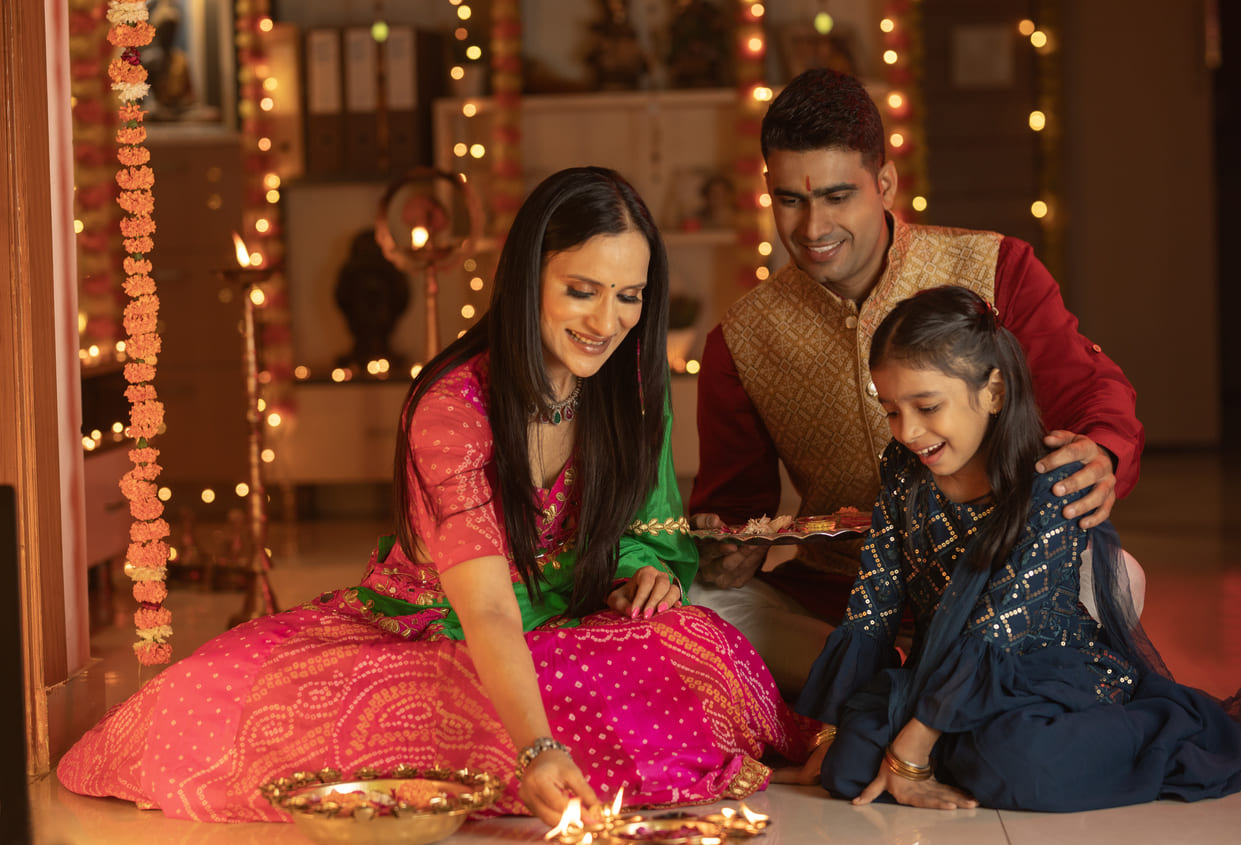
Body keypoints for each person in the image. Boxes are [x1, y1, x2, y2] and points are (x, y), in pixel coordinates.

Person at [57, 167, 812, 825]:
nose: (606, 322)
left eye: (628, 296)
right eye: (581, 291)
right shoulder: (453, 409)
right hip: (436, 630)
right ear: (527, 280)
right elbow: (484, 608)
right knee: (331, 707)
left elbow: (652, 518)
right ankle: (529, 753)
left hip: (571, 621)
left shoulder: (629, 388)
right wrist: (539, 744)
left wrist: (646, 570)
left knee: (697, 647)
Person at [689, 68, 1145, 694]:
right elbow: (733, 508)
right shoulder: (740, 339)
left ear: (884, 183)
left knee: (1111, 574)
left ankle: (886, 689)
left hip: (995, 575)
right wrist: (729, 549)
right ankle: (933, 683)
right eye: (790, 200)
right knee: (691, 605)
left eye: (837, 196)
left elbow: (1090, 393)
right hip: (839, 596)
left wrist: (1104, 451)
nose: (813, 228)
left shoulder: (995, 269)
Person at [784, 286, 1241, 811]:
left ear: (994, 391)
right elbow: (873, 608)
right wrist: (828, 737)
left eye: (927, 406)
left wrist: (909, 755)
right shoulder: (905, 473)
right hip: (944, 671)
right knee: (847, 768)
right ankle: (959, 750)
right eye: (890, 410)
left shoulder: (1048, 484)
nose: (908, 431)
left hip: (1045, 676)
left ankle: (1153, 726)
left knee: (1023, 765)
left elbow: (996, 633)